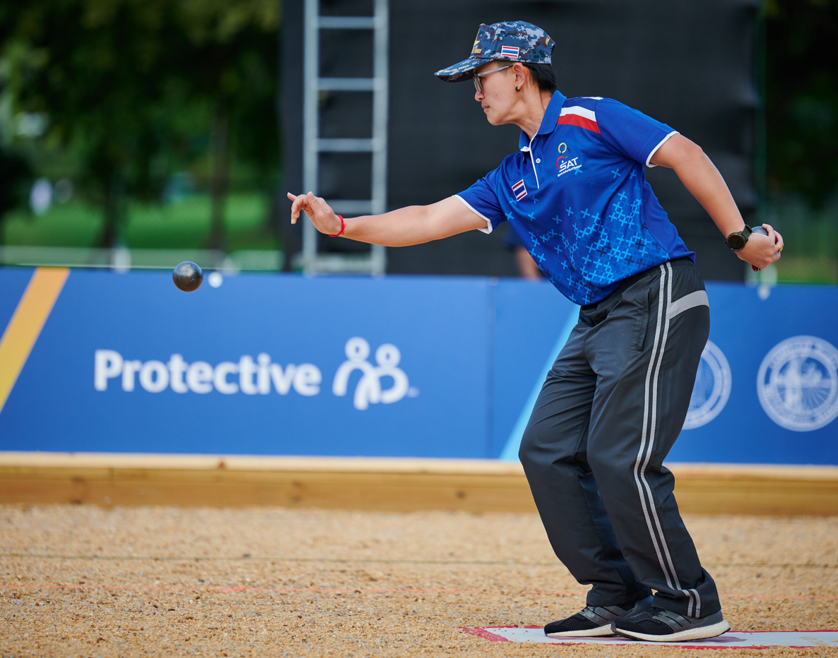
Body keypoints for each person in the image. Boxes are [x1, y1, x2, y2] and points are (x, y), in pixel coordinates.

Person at [289, 21, 783, 642]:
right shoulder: (510, 175)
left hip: (655, 294)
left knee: (619, 456)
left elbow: (685, 153)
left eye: (481, 77)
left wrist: (740, 237)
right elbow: (428, 219)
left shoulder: (590, 117)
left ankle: (688, 601)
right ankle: (617, 593)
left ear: (518, 73)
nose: (476, 92)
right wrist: (341, 226)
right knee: (546, 449)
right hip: (597, 314)